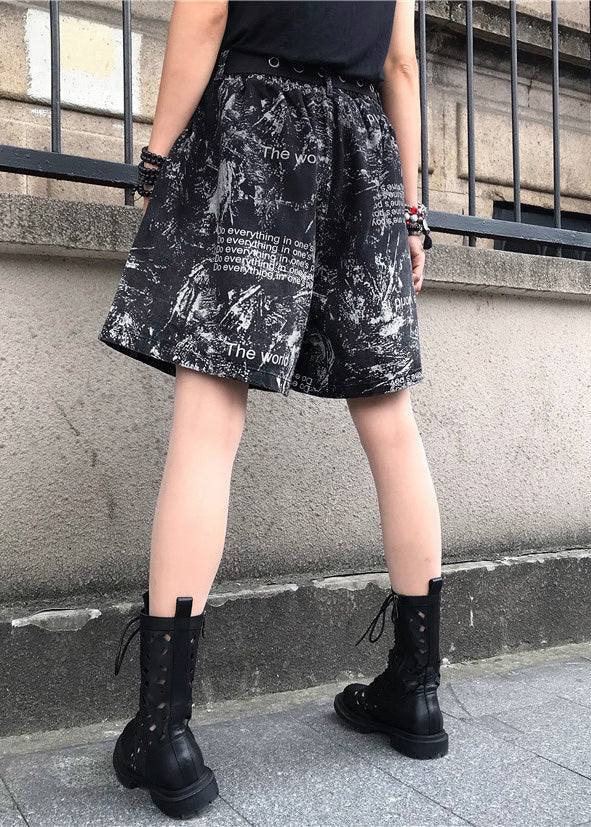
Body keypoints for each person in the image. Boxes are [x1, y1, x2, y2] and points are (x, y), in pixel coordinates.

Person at [101, 0, 446, 819]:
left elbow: (206, 13)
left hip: (256, 128)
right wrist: (411, 212)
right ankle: (417, 689)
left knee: (207, 424)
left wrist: (155, 161)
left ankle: (164, 731)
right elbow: (400, 64)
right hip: (363, 148)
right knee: (390, 421)